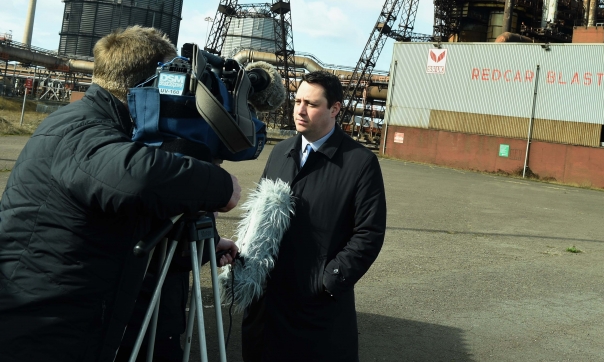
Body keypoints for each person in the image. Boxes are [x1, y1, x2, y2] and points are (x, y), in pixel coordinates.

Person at [0, 26, 242, 362]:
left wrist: (206, 244)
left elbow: (131, 221)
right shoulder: (83, 132)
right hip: (47, 330)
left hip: (65, 319)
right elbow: (137, 178)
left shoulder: (92, 123)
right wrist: (219, 184)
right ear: (151, 84)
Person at [242, 71, 386, 362]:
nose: (300, 110)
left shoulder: (360, 163)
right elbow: (259, 213)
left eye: (311, 103)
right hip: (267, 304)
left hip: (316, 308)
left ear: (334, 109)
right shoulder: (281, 151)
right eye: (297, 101)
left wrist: (328, 280)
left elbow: (369, 233)